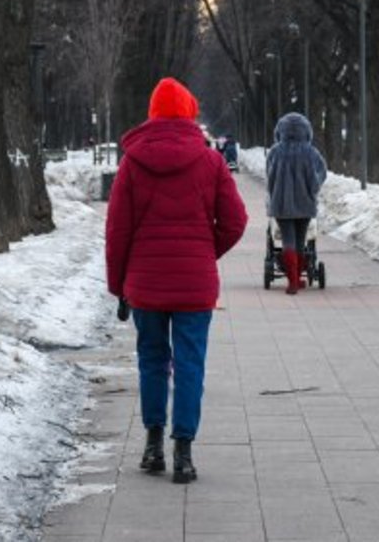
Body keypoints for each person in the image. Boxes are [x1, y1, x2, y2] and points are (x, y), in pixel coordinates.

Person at [105, 77, 247, 484]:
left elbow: (118, 232)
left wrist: (119, 286)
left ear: (152, 112)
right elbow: (236, 221)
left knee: (151, 360)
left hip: (145, 285)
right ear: (188, 111)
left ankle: (152, 446)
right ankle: (183, 453)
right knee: (189, 364)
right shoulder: (211, 161)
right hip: (194, 285)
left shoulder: (132, 163)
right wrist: (204, 251)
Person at [265, 112, 327, 295]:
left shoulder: (275, 152)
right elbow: (321, 174)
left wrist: (274, 193)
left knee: (287, 240)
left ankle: (292, 281)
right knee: (301, 241)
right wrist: (312, 191)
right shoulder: (311, 152)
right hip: (305, 203)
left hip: (281, 204)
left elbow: (270, 177)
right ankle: (297, 277)